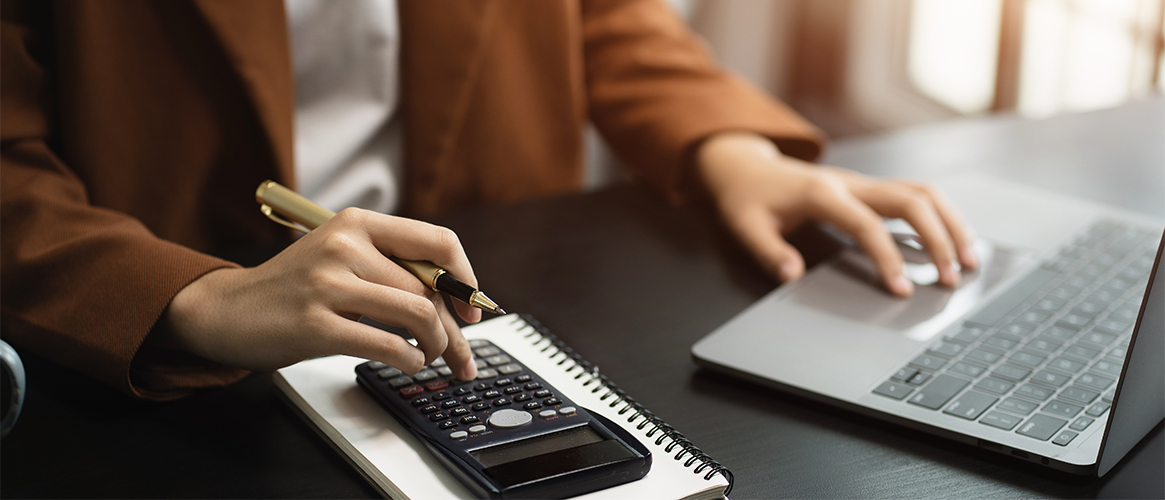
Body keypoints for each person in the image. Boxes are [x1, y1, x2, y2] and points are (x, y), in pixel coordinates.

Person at [0, 0, 977, 401]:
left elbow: (598, 13)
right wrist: (195, 299)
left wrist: (729, 146)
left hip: (486, 298)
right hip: (186, 364)